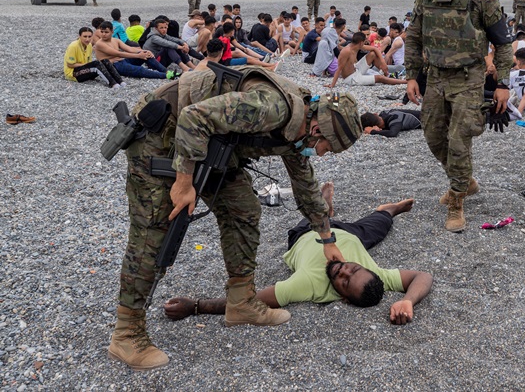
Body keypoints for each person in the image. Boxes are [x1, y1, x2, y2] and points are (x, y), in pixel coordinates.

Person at [108, 69, 364, 370]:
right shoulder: (272, 109)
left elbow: (304, 184)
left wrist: (326, 238)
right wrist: (183, 181)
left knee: (243, 209)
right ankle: (127, 332)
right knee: (154, 230)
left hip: (214, 145)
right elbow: (193, 117)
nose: (321, 154)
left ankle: (241, 303)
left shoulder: (299, 127)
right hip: (162, 135)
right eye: (327, 149)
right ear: (318, 131)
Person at [163, 186, 432, 325]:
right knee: (382, 224)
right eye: (355, 269)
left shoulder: (309, 286)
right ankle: (388, 209)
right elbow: (423, 276)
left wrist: (195, 306)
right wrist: (408, 301)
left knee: (316, 219)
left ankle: (324, 210)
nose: (345, 270)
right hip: (354, 236)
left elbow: (247, 300)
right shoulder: (378, 277)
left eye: (346, 281)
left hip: (307, 234)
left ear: (342, 298)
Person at [405, 0, 513, 232]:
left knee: (458, 138)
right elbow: (413, 36)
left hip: (469, 77)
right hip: (436, 75)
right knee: (433, 134)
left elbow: (503, 44)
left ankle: (456, 201)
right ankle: (465, 181)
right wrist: (411, 76)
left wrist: (502, 83)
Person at [327, 32, 407, 88]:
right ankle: (405, 82)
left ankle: (388, 74)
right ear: (361, 43)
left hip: (356, 69)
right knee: (379, 78)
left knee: (372, 54)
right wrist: (332, 85)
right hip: (351, 78)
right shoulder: (346, 51)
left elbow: (374, 49)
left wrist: (383, 63)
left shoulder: (357, 46)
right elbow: (339, 69)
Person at [93, 21, 168, 79]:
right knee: (140, 70)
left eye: (106, 32)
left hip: (122, 61)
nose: (103, 34)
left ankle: (166, 71)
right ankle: (166, 76)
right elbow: (118, 53)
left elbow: (129, 49)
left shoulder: (115, 40)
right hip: (113, 66)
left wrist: (144, 51)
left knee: (146, 54)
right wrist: (138, 55)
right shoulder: (99, 44)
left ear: (112, 32)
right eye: (102, 32)